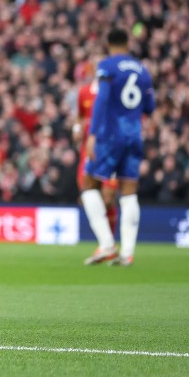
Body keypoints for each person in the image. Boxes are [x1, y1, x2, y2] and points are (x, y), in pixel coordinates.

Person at [81, 28, 156, 266]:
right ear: (127, 43)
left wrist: (92, 134)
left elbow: (102, 100)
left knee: (88, 183)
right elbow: (150, 107)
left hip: (111, 135)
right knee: (129, 190)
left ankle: (106, 245)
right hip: (134, 135)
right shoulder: (143, 70)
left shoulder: (108, 66)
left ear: (109, 43)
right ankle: (128, 252)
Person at [73, 64, 118, 235]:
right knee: (87, 196)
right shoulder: (84, 92)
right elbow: (79, 117)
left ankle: (109, 241)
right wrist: (76, 130)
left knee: (108, 198)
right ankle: (106, 242)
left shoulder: (114, 95)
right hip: (88, 152)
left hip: (109, 151)